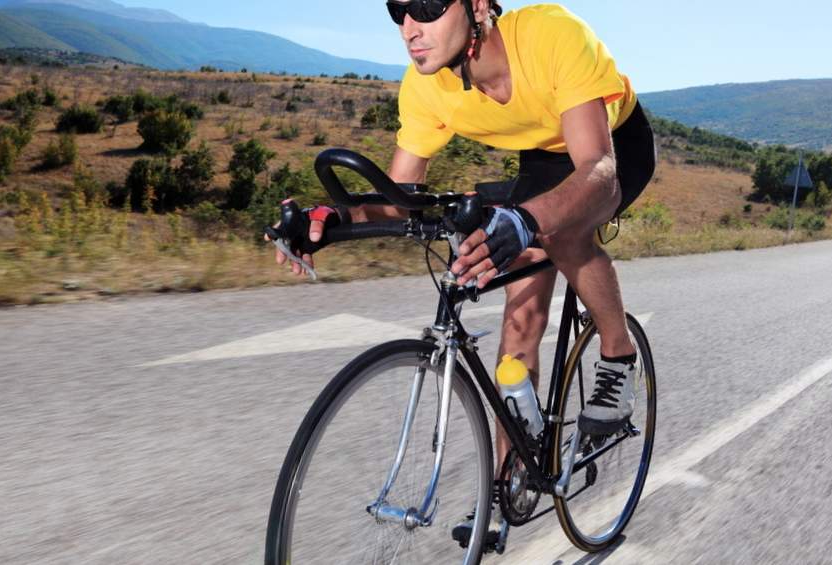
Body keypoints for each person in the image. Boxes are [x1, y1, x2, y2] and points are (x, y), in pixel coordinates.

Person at [273, 0, 655, 551]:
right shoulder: (426, 85)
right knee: (518, 318)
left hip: (611, 144)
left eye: (425, 5)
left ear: (478, 5)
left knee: (561, 234)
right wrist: (327, 220)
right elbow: (398, 200)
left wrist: (526, 220)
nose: (410, 28)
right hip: (543, 157)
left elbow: (599, 173)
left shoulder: (552, 34)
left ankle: (618, 358)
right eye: (397, 10)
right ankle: (509, 483)